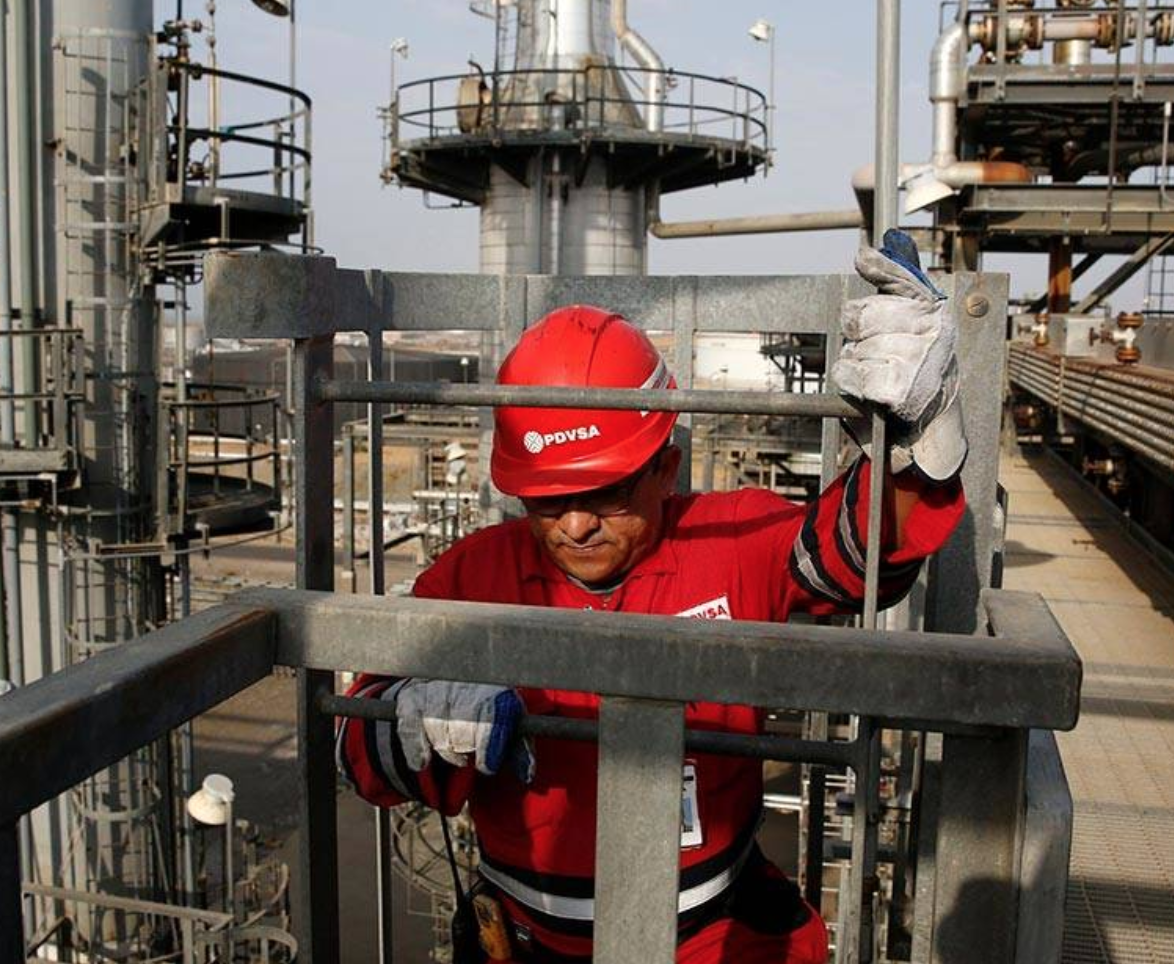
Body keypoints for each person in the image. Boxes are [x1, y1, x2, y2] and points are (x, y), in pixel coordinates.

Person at [337, 231, 969, 963]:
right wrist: (414, 720)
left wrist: (914, 443)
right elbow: (355, 748)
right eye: (546, 500)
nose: (575, 525)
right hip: (526, 942)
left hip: (714, 938)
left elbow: (856, 556)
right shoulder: (470, 578)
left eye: (605, 493)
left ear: (665, 469)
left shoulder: (732, 540)